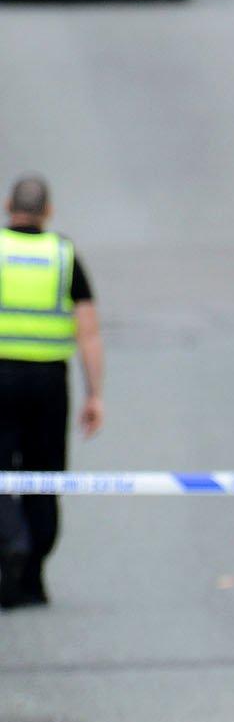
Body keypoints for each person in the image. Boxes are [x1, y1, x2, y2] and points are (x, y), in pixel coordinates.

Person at [0, 176, 103, 610]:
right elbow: (89, 332)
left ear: (8, 205)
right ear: (49, 211)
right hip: (47, 384)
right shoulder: (63, 256)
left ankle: (11, 549)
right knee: (44, 477)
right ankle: (34, 572)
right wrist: (95, 394)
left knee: (1, 474)